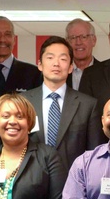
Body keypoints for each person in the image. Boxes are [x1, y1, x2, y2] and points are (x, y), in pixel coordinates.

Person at [22, 36, 102, 171]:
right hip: (29, 179)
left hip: (72, 180)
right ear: (40, 65)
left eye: (63, 59)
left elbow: (94, 153)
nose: (56, 63)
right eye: (50, 58)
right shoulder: (22, 102)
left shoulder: (88, 105)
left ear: (71, 67)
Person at [65, 19, 98, 91]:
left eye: (83, 37)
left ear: (94, 40)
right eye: (73, 38)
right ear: (67, 43)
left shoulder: (106, 74)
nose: (78, 42)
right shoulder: (61, 72)